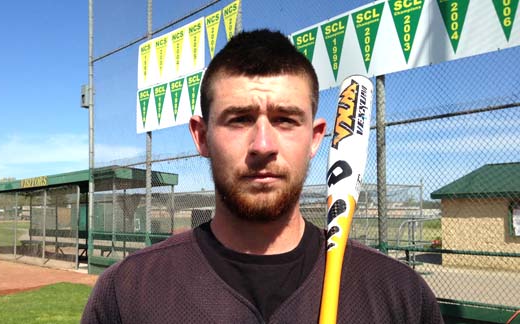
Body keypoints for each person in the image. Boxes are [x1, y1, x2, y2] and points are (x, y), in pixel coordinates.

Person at [81, 29, 443, 323]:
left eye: (286, 119)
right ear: (202, 136)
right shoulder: (127, 294)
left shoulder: (400, 297)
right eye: (239, 119)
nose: (264, 144)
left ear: (315, 138)